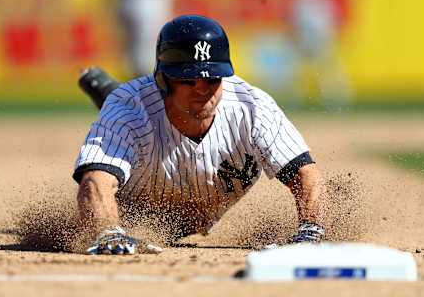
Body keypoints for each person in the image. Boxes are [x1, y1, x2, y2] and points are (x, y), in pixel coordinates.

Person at [74, 15, 328, 255]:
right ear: (164, 80)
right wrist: (107, 231)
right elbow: (96, 182)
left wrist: (311, 232)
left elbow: (306, 175)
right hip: (134, 209)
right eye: (188, 80)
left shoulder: (252, 107)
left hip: (196, 211)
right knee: (127, 111)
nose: (202, 89)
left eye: (213, 78)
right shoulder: (128, 109)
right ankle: (108, 93)